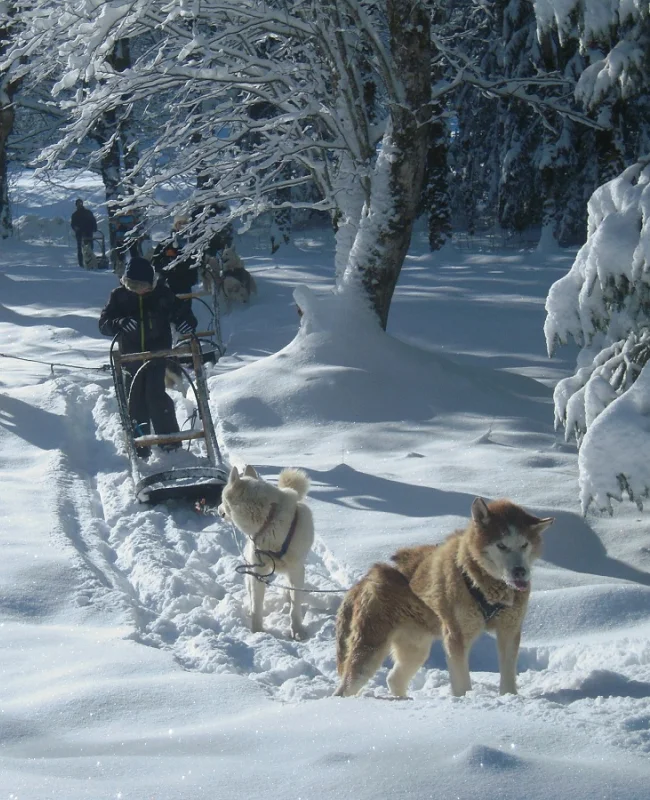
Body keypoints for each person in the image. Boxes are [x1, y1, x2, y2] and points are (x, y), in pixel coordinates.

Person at [99, 255, 197, 459]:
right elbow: (104, 323)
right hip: (130, 357)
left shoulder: (162, 294)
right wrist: (119, 323)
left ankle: (170, 443)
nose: (140, 291)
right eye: (134, 286)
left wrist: (186, 322)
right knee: (134, 401)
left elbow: (181, 312)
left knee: (155, 395)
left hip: (158, 354)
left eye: (143, 286)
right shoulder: (119, 296)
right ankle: (140, 447)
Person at [70, 199, 98, 267]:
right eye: (78, 203)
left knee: (89, 248)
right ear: (76, 205)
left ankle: (90, 263)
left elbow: (93, 221)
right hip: (81, 233)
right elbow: (73, 224)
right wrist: (75, 228)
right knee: (81, 249)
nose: (79, 205)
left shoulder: (87, 212)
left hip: (88, 232)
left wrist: (94, 228)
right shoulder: (75, 215)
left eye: (80, 203)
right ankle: (82, 263)